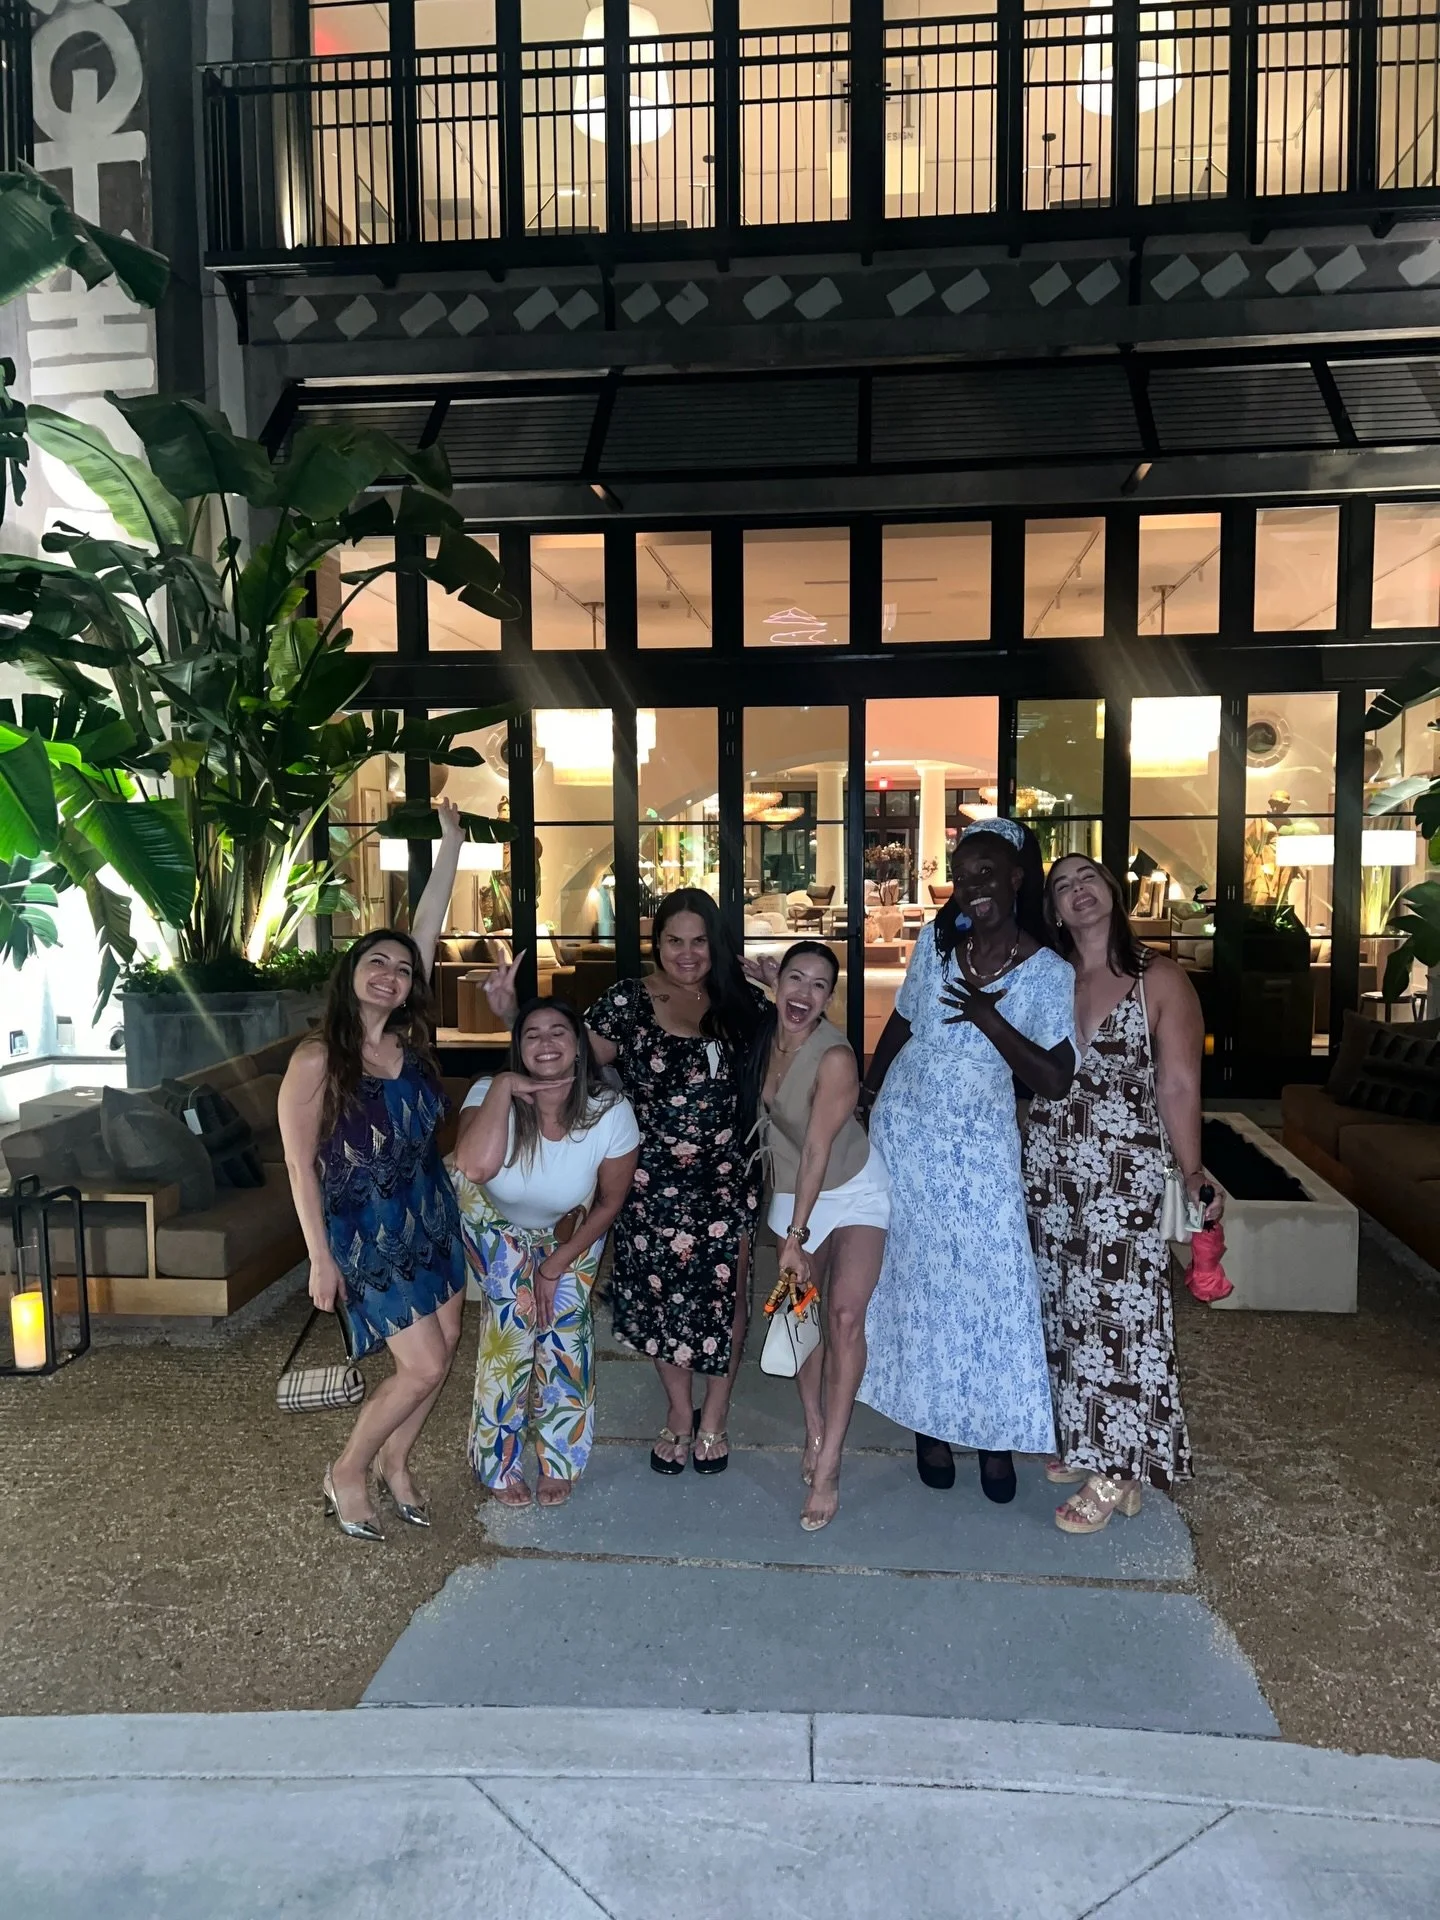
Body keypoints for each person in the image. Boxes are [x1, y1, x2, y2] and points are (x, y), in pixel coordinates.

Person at [484, 888, 762, 1475]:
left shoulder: (741, 1002)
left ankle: (715, 1416)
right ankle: (680, 1414)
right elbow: (563, 1059)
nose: (687, 953)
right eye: (672, 940)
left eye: (698, 941)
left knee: (725, 1300)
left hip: (726, 1180)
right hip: (649, 1179)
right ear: (655, 943)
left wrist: (786, 984)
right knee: (662, 1302)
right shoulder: (628, 1002)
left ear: (716, 943)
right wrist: (513, 1017)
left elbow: (796, 1056)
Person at [856, 818, 1077, 1504]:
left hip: (979, 1146)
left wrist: (990, 1018)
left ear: (1016, 878)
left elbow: (1054, 1079)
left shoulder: (1049, 973)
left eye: (986, 874)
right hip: (908, 1134)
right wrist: (867, 1095)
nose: (972, 888)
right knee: (920, 1280)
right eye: (963, 874)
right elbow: (905, 1021)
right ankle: (930, 1425)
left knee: (991, 1288)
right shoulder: (936, 945)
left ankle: (995, 1436)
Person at [278, 799, 470, 1542]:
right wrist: (320, 1258)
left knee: (444, 1350)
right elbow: (299, 1166)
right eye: (374, 962)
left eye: (399, 968)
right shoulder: (318, 1060)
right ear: (348, 974)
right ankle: (348, 1469)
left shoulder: (408, 1039)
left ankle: (396, 1461)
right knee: (419, 1366)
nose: (389, 974)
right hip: (366, 1232)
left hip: (430, 1212)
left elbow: (427, 926)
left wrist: (449, 845)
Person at [1024, 853, 1220, 1534]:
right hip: (1051, 1170)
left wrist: (1191, 1172)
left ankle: (1120, 1467)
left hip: (1122, 1175)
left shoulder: (1157, 977)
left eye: (1087, 878)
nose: (1077, 891)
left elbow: (1179, 1083)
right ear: (1052, 909)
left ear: (1112, 890)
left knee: (1123, 1318)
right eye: (1062, 886)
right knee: (1067, 1309)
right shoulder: (1049, 977)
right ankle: (1089, 1438)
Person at [451, 999, 640, 1508]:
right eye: (532, 1034)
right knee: (512, 1329)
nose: (546, 1042)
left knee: (564, 1329)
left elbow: (610, 1201)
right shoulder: (490, 1092)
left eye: (559, 1031)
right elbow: (472, 1167)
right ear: (518, 1047)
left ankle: (560, 1458)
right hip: (491, 1213)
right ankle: (497, 1460)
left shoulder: (609, 1110)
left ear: (579, 1046)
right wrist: (506, 1089)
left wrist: (555, 1266)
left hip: (571, 1219)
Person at [742, 941, 890, 1532]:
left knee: (844, 1319)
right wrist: (763, 982)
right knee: (798, 1319)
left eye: (819, 986)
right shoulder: (769, 1029)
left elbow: (819, 1153)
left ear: (832, 997)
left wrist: (795, 1238)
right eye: (794, 980)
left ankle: (829, 1464)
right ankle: (814, 1428)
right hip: (790, 1191)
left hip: (851, 1189)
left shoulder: (835, 1059)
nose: (803, 994)